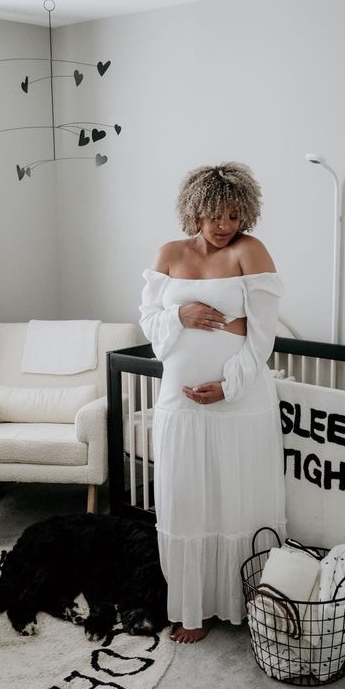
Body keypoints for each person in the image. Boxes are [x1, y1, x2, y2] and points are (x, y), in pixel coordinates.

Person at [139, 162, 286, 643]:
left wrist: (230, 385)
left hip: (239, 402)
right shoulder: (169, 253)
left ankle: (247, 602)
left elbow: (262, 337)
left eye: (234, 215)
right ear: (194, 211)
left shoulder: (250, 251)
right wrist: (179, 313)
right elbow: (152, 327)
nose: (225, 226)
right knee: (185, 498)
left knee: (238, 499)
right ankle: (192, 607)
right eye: (215, 215)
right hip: (179, 400)